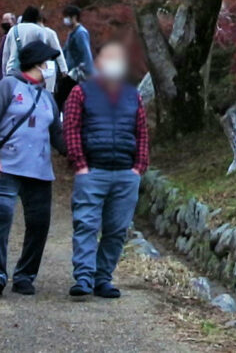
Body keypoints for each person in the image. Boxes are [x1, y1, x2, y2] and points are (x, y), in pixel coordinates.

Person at [62, 43, 150, 300]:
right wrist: (80, 164)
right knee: (86, 225)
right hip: (93, 172)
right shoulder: (81, 92)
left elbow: (142, 133)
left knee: (116, 229)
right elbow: (71, 128)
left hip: (125, 174)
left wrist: (138, 167)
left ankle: (103, 278)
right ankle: (84, 277)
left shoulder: (133, 95)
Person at [0, 40, 61, 297]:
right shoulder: (8, 85)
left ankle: (25, 275)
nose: (50, 67)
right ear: (38, 63)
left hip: (39, 170)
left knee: (39, 224)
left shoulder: (49, 97)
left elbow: (57, 134)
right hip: (6, 165)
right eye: (47, 62)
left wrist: (82, 153)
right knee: (1, 215)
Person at [0, 5, 59, 82]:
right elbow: (42, 53)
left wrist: (4, 72)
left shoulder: (13, 29)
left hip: (12, 69)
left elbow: (5, 53)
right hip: (29, 72)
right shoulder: (39, 31)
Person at [58, 2, 95, 94]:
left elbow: (86, 54)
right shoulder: (72, 33)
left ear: (74, 17)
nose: (65, 20)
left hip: (76, 75)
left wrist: (88, 74)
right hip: (70, 73)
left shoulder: (80, 33)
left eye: (67, 17)